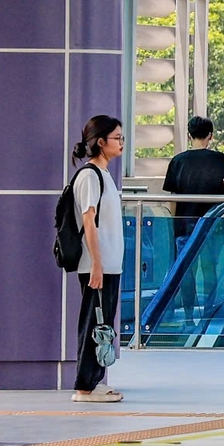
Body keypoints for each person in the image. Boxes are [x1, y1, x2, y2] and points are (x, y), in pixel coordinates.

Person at [68, 116, 127, 403]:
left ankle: (93, 381)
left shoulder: (104, 175)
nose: (121, 143)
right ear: (101, 142)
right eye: (117, 138)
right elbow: (88, 222)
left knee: (103, 324)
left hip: (109, 264)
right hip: (98, 265)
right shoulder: (90, 176)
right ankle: (83, 387)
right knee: (94, 323)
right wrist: (96, 264)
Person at [163, 115, 224, 247]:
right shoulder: (218, 159)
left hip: (185, 224)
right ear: (210, 135)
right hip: (213, 222)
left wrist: (173, 223)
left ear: (189, 135)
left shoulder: (178, 161)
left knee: (185, 265)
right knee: (210, 265)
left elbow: (173, 198)